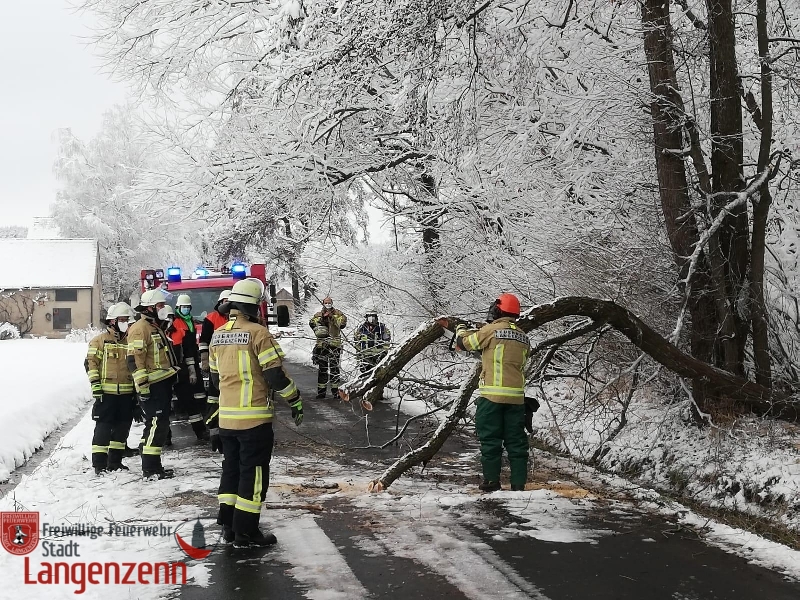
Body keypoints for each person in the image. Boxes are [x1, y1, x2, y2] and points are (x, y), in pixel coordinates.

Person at [209, 278, 304, 548]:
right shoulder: (259, 334)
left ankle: (229, 526)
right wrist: (294, 399)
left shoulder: (218, 334)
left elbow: (216, 382)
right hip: (254, 420)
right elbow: (275, 375)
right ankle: (246, 532)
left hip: (227, 419)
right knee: (254, 474)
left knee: (232, 470)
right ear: (255, 306)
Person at [449, 293, 532, 492]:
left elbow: (463, 344)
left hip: (491, 397)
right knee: (517, 442)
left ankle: (491, 482)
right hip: (516, 399)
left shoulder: (491, 330)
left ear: (497, 309)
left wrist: (460, 328)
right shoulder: (524, 337)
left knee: (491, 440)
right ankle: (518, 484)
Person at [127, 288, 179, 480]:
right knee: (156, 424)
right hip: (152, 386)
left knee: (159, 425)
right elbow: (134, 360)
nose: (163, 308)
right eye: (159, 306)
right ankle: (150, 468)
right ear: (149, 308)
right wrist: (143, 387)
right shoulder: (140, 329)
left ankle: (154, 465)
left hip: (161, 384)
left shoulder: (153, 327)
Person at [86, 302, 137, 475]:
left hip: (126, 394)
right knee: (103, 428)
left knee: (123, 428)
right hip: (106, 394)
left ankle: (115, 462)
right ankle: (99, 465)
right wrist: (95, 386)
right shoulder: (99, 341)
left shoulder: (130, 340)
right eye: (122, 320)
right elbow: (91, 364)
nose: (125, 323)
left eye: (126, 320)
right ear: (113, 321)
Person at [170, 294, 209, 441]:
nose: (185, 309)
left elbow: (191, 347)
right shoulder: (175, 323)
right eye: (183, 307)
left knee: (200, 397)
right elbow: (180, 350)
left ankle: (205, 428)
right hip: (182, 368)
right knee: (188, 401)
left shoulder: (190, 321)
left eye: (187, 307)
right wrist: (189, 367)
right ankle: (199, 431)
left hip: (191, 364)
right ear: (178, 308)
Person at [199, 289, 231, 451]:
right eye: (224, 301)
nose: (227, 304)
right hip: (216, 366)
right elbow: (204, 341)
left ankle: (228, 436)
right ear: (219, 302)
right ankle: (214, 435)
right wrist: (205, 360)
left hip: (232, 367)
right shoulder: (211, 319)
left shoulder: (238, 318)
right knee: (213, 401)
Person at [308, 296, 347, 399]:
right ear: (323, 303)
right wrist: (322, 319)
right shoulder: (318, 315)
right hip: (322, 345)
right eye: (326, 302)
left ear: (332, 303)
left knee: (334, 369)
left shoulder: (338, 313)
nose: (328, 304)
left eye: (329, 302)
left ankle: (336, 392)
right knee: (322, 369)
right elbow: (312, 324)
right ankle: (321, 392)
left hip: (335, 345)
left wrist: (332, 318)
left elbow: (342, 324)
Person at [355, 307, 391, 374]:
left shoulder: (382, 328)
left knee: (379, 372)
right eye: (369, 317)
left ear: (376, 317)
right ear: (366, 317)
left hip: (378, 354)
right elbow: (357, 342)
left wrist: (384, 353)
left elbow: (387, 341)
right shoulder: (361, 328)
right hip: (365, 354)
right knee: (365, 372)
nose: (371, 319)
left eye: (373, 316)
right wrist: (359, 354)